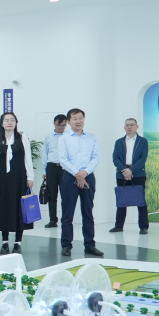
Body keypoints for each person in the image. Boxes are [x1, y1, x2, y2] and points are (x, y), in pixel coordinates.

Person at [57, 108, 103, 258]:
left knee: (88, 212)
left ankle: (90, 245)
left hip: (88, 176)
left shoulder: (91, 137)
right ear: (68, 121)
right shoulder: (63, 138)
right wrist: (78, 174)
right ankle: (66, 245)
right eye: (75, 118)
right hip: (70, 177)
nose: (78, 121)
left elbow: (96, 157)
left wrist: (85, 173)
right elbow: (63, 160)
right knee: (67, 213)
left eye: (81, 118)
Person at [0, 112, 34, 254]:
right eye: (7, 120)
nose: (10, 122)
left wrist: (30, 177)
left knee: (21, 210)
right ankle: (4, 243)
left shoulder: (22, 138)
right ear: (2, 123)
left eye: (12, 120)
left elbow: (28, 159)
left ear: (16, 123)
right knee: (4, 209)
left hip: (20, 178)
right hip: (3, 179)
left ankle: (17, 243)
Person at [111, 117, 149, 235]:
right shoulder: (119, 142)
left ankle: (143, 227)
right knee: (122, 200)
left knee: (140, 200)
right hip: (122, 174)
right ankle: (119, 226)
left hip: (138, 174)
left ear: (137, 127)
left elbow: (143, 158)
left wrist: (131, 170)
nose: (129, 127)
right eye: (127, 125)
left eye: (132, 125)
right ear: (124, 127)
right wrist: (125, 171)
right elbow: (115, 158)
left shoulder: (143, 141)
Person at [41, 114, 68, 228]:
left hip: (65, 168)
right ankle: (53, 220)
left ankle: (65, 220)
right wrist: (44, 171)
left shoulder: (68, 136)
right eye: (59, 125)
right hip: (51, 168)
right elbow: (45, 154)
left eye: (63, 125)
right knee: (52, 196)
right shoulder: (49, 136)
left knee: (65, 195)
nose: (61, 127)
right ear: (54, 123)